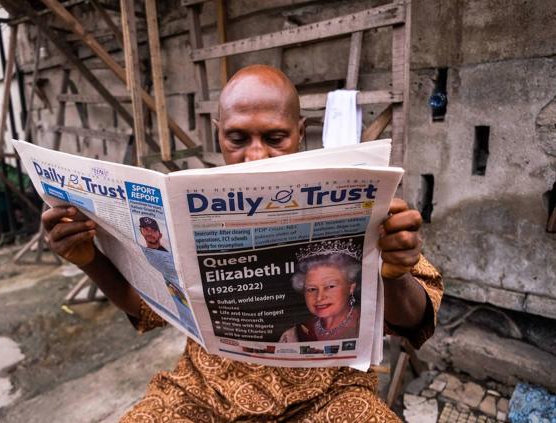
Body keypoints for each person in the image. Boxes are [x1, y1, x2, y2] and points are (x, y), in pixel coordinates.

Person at [42, 64, 443, 422]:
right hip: (202, 392)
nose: (255, 156)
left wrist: (395, 272)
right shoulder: (188, 209)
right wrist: (88, 259)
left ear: (301, 133)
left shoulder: (351, 198)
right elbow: (147, 309)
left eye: (275, 137)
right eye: (237, 138)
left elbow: (415, 319)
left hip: (325, 397)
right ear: (217, 134)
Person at [279, 248, 362, 342]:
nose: (319, 297)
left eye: (330, 286)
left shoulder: (367, 323)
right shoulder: (292, 336)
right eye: (312, 289)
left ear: (351, 287)